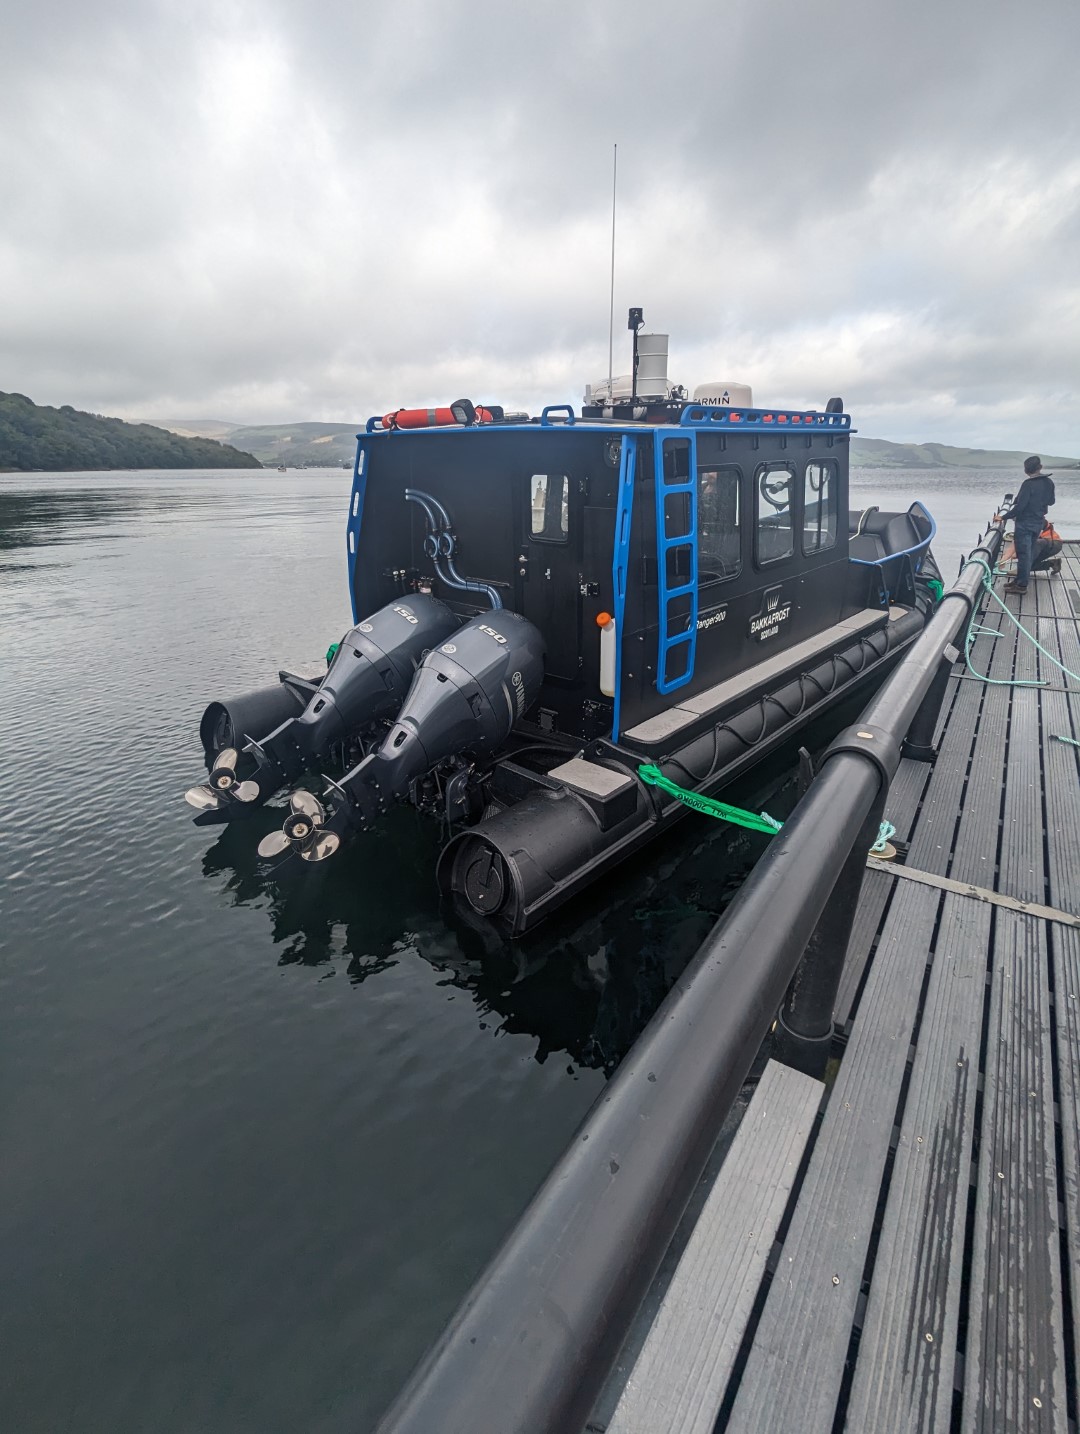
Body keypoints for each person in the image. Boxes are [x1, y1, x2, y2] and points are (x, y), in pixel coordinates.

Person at [1002, 456, 1055, 595]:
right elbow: (1051, 501)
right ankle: (1019, 580)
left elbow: (1020, 507)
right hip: (1038, 523)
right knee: (1028, 553)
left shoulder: (1028, 484)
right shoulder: (1049, 482)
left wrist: (1003, 517)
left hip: (1024, 524)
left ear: (1026, 470)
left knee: (1023, 555)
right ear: (1040, 467)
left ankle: (1021, 585)